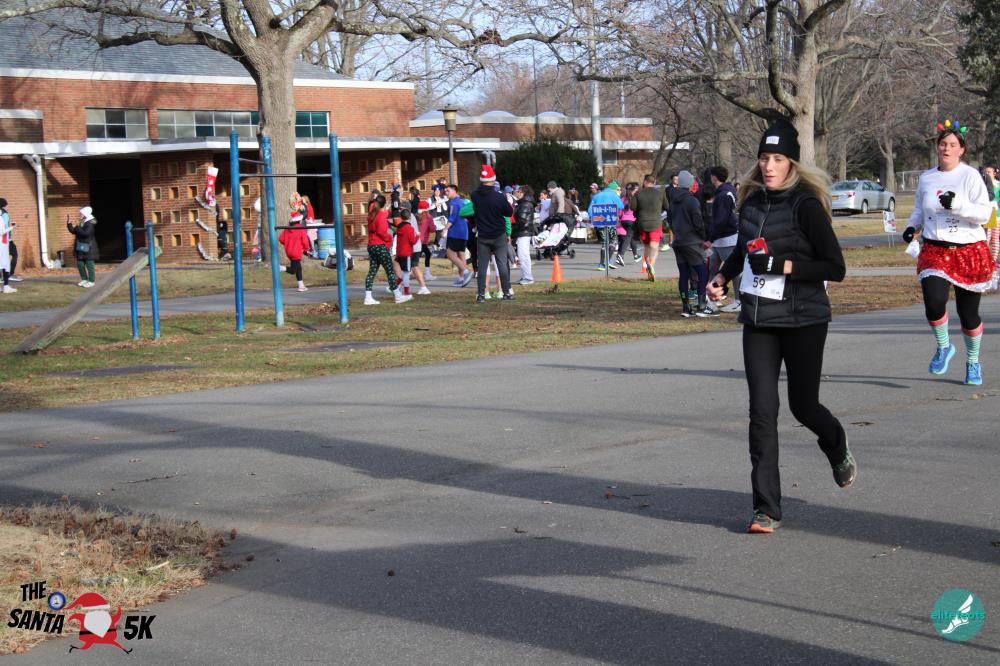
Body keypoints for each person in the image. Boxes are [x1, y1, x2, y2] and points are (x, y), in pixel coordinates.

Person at [707, 118, 852, 534]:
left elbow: (835, 267)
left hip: (805, 318)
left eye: (777, 159)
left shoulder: (806, 205)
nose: (768, 166)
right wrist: (722, 276)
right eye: (764, 158)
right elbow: (744, 251)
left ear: (792, 163)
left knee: (803, 406)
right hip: (759, 320)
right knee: (762, 412)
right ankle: (766, 508)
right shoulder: (751, 202)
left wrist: (785, 266)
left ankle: (836, 443)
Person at [902, 121, 995, 386]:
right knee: (934, 301)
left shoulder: (970, 176)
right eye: (943, 144)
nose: (947, 148)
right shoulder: (927, 178)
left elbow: (985, 214)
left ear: (961, 150)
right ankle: (944, 346)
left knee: (968, 315)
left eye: (953, 145)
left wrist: (957, 205)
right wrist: (912, 227)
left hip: (968, 250)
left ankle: (973, 361)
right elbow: (919, 209)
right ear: (937, 147)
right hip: (935, 248)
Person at [668, 171, 711, 316]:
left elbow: (670, 221)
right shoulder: (692, 201)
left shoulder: (673, 201)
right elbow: (698, 222)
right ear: (690, 184)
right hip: (692, 242)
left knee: (684, 275)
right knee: (703, 272)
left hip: (678, 242)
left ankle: (686, 307)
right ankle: (702, 305)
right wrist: (704, 237)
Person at [470, 165, 514, 302]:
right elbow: (509, 212)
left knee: (482, 265)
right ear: (493, 180)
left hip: (483, 235)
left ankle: (481, 295)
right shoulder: (499, 196)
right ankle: (506, 292)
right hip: (498, 234)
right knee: (502, 264)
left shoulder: (474, 196)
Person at [707, 166, 742, 313]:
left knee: (734, 271)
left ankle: (739, 301)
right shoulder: (725, 192)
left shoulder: (724, 195)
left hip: (726, 238)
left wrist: (711, 238)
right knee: (713, 269)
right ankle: (711, 299)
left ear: (714, 177)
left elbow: (721, 220)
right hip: (721, 239)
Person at [364, 195, 411, 305]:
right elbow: (381, 232)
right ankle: (398, 296)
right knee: (390, 271)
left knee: (372, 271)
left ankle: (368, 297)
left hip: (371, 245)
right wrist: (389, 238)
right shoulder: (381, 216)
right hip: (380, 246)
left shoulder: (372, 214)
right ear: (384, 204)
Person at [632, 174, 670, 280]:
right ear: (654, 182)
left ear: (645, 182)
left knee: (647, 246)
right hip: (655, 223)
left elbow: (632, 208)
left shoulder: (638, 193)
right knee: (654, 246)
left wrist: (633, 196)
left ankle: (647, 265)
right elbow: (667, 207)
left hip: (642, 223)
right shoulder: (660, 193)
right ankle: (651, 266)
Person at [589, 181, 625, 270]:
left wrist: (593, 218)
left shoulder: (596, 196)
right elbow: (621, 206)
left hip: (600, 222)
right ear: (614, 189)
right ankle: (607, 261)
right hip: (610, 222)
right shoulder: (613, 195)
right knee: (613, 241)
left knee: (604, 243)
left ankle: (601, 264)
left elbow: (590, 210)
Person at [444, 185, 473, 287]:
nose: (446, 193)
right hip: (463, 232)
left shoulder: (454, 203)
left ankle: (466, 272)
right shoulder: (461, 202)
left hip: (455, 232)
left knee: (450, 254)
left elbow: (452, 218)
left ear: (454, 191)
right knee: (461, 254)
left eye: (448, 191)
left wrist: (445, 229)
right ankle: (462, 278)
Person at [278, 211, 311, 292]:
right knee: (293, 270)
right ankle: (281, 268)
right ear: (299, 221)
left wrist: (288, 243)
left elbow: (281, 239)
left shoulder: (287, 229)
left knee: (298, 268)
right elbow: (305, 241)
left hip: (289, 251)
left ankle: (301, 286)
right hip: (296, 252)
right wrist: (306, 249)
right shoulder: (300, 229)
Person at [67, 206, 99, 288]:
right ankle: (84, 279)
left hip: (89, 248)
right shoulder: (82, 222)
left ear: (85, 214)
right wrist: (69, 224)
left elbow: (86, 234)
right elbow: (74, 231)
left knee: (89, 264)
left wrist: (77, 227)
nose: (79, 215)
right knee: (80, 264)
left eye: (81, 213)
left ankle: (91, 281)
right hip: (81, 247)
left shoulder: (90, 223)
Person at [512, 185, 537, 285]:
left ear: (523, 193)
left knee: (523, 255)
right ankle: (525, 276)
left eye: (519, 191)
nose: (517, 193)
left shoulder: (525, 204)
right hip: (523, 232)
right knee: (523, 255)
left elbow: (521, 220)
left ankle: (528, 277)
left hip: (523, 232)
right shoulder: (523, 203)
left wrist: (513, 230)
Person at [615, 182, 641, 266]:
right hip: (632, 221)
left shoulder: (623, 199)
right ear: (633, 190)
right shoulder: (635, 198)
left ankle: (636, 255)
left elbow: (619, 211)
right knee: (629, 237)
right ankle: (621, 255)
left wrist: (619, 219)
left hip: (623, 221)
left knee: (631, 236)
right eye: (636, 190)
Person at [416, 200, 437, 281]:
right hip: (423, 240)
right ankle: (426, 274)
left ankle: (421, 273)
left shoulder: (415, 216)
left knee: (422, 255)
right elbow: (432, 229)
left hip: (415, 239)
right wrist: (435, 226)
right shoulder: (428, 217)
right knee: (426, 255)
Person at [0, 198, 14, 293]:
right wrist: (12, 227)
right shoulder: (1, 217)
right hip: (2, 243)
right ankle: (6, 286)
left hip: (3, 242)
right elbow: (2, 231)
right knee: (5, 264)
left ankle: (5, 286)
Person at [662, 173, 680, 250]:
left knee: (679, 225)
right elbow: (666, 199)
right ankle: (671, 241)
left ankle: (678, 241)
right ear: (672, 180)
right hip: (671, 209)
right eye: (675, 179)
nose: (677, 181)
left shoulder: (680, 188)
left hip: (679, 209)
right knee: (671, 226)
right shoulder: (668, 189)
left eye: (678, 179)